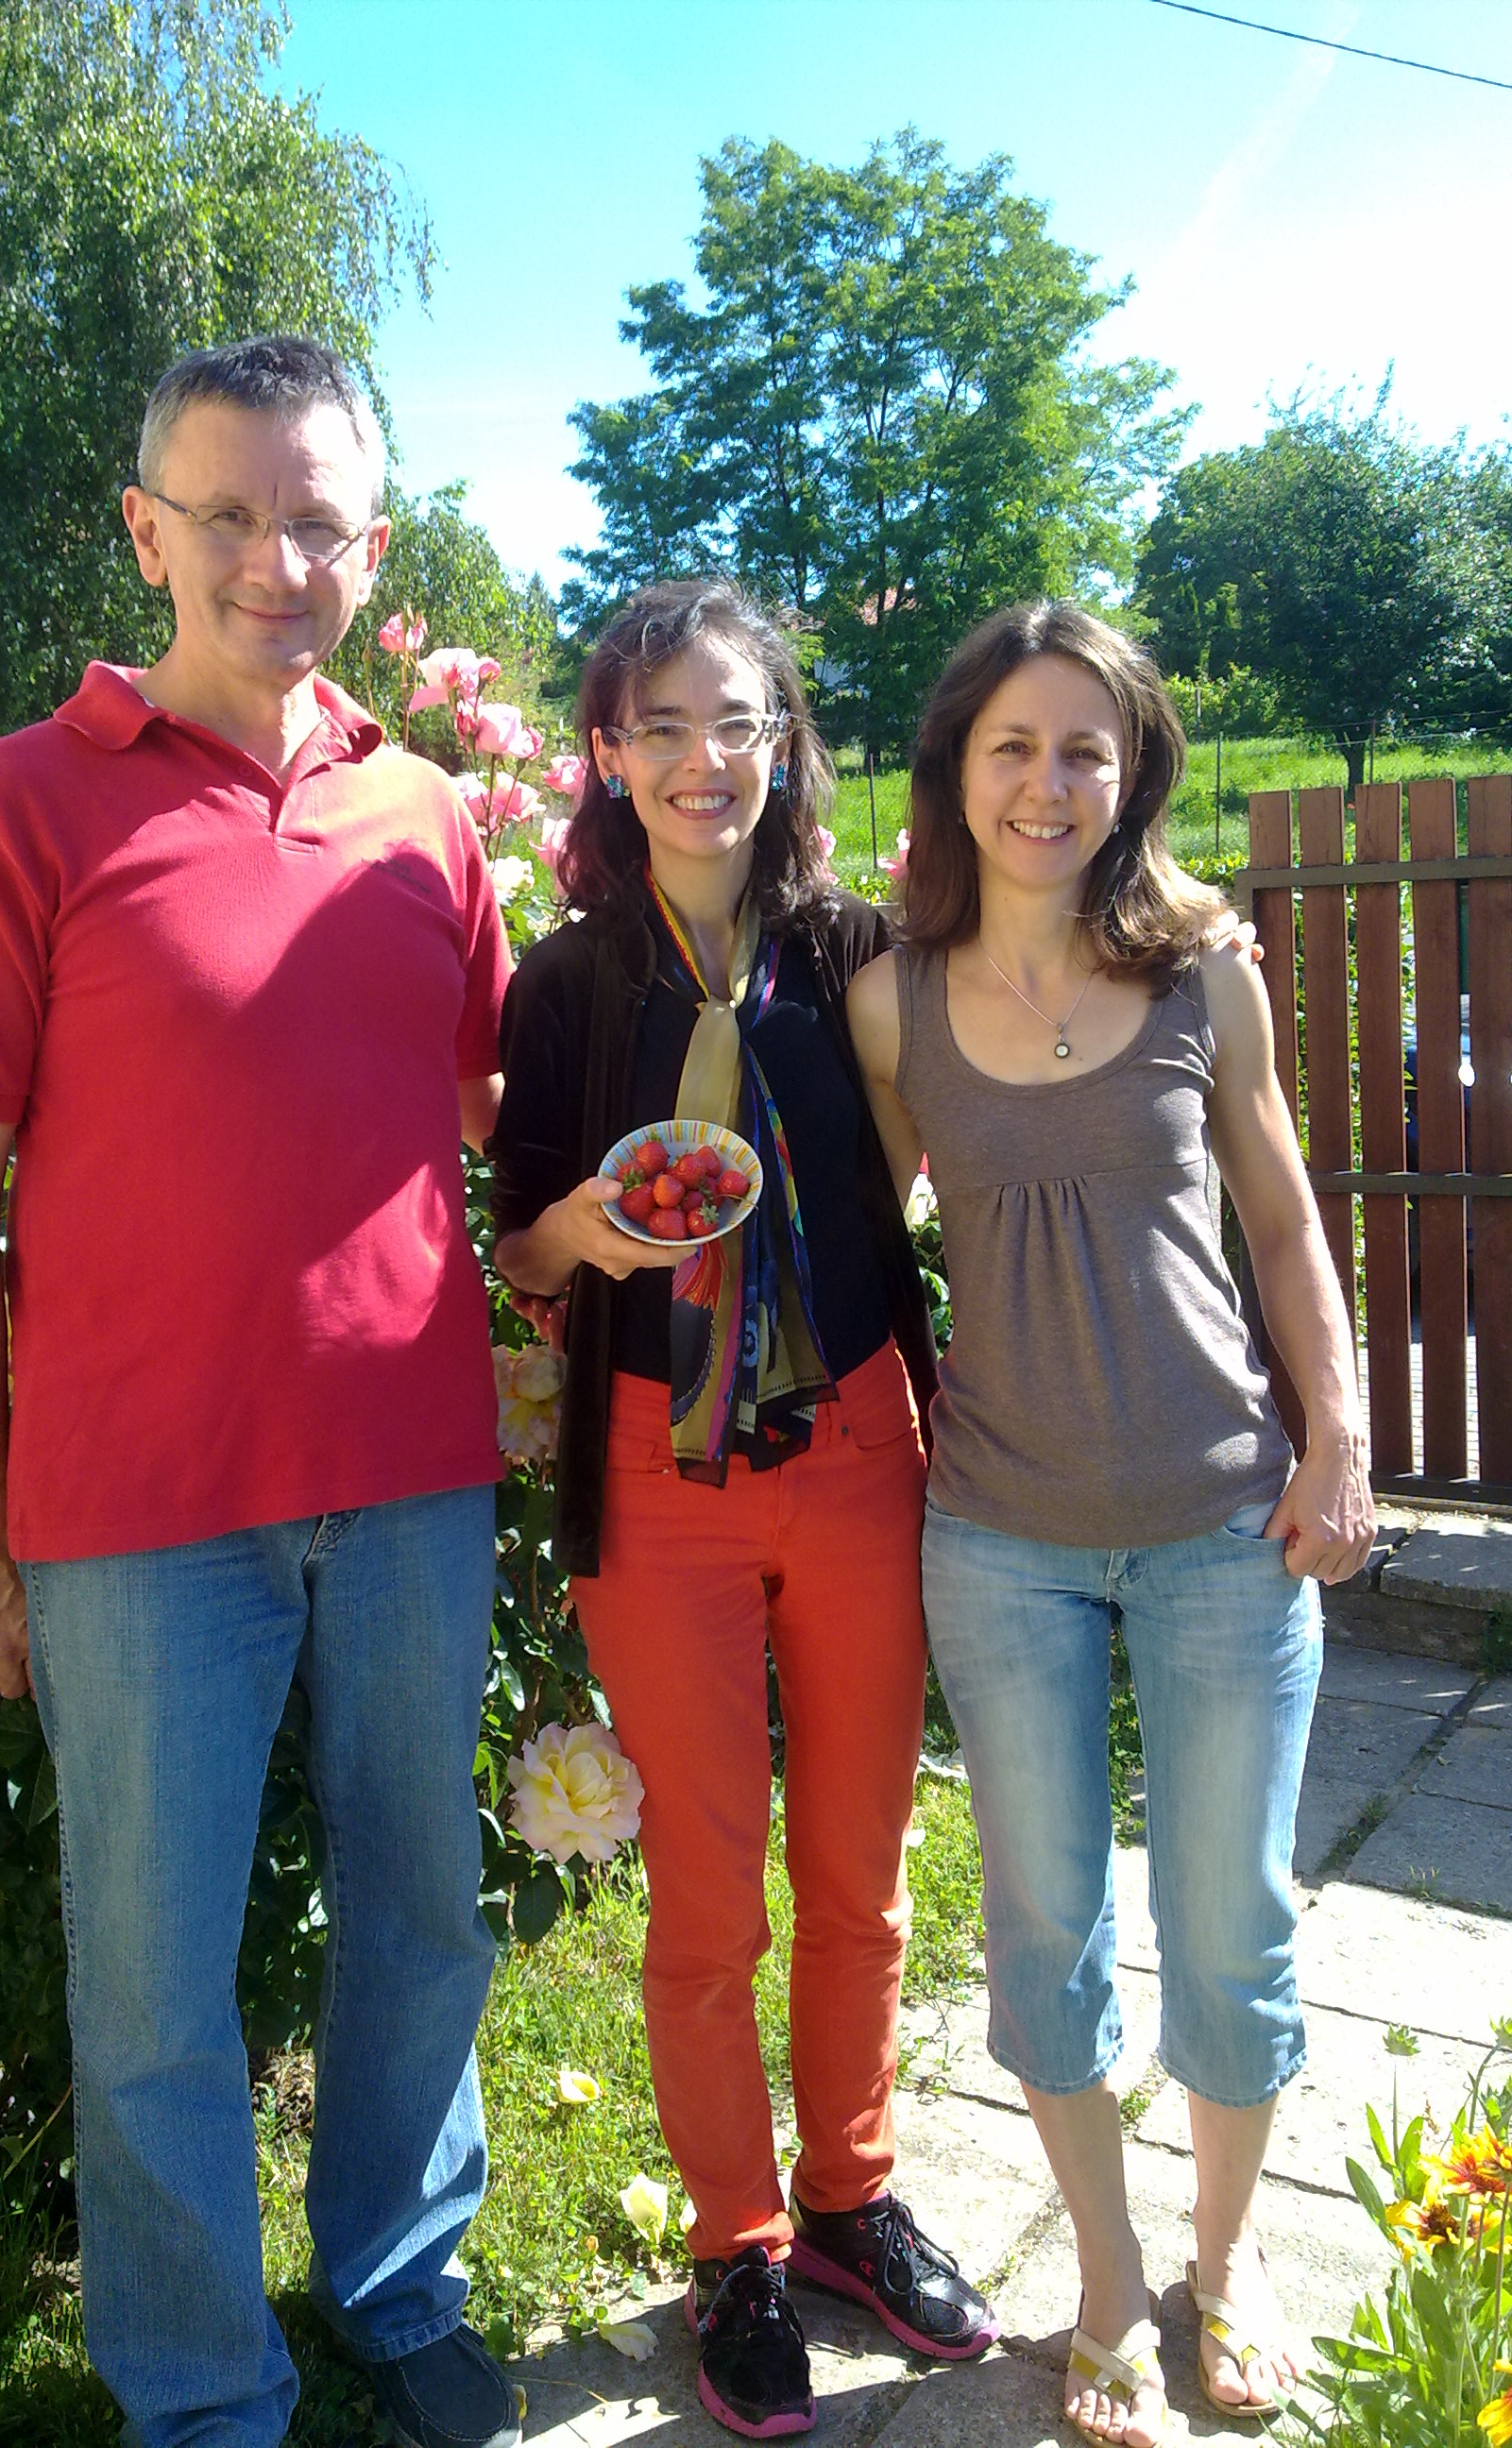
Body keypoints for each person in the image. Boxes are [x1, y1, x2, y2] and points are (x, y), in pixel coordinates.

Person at [0, 335, 521, 2448]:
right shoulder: (18, 804)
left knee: (426, 1912)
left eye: (318, 516)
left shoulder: (431, 817)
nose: (275, 557)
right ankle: (194, 2391)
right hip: (141, 1513)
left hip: (416, 1483)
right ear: (149, 531)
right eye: (228, 514)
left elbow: (443, 1122)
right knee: (153, 1986)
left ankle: (399, 2281)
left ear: (374, 541)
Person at [848, 599, 1375, 2448]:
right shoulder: (890, 1000)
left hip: (1229, 1528)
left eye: (1085, 747)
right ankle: (1103, 2287)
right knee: (1047, 1931)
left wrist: (1344, 1438)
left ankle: (1223, 2280)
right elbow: (841, 1242)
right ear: (957, 771)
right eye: (1012, 746)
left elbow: (1288, 1222)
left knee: (1232, 1928)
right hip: (1002, 1544)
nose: (1047, 782)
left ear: (1132, 769)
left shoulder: (1204, 971)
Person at [489, 577, 996, 2440]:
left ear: (786, 745)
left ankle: (855, 2199)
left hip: (858, 1451)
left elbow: (961, 1124)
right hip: (655, 1474)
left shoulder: (861, 950)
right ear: (609, 753)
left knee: (859, 1869)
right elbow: (521, 1234)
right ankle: (740, 2247)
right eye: (664, 728)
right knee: (707, 1900)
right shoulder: (565, 983)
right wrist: (588, 1230)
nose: (707, 763)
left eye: (741, 723)